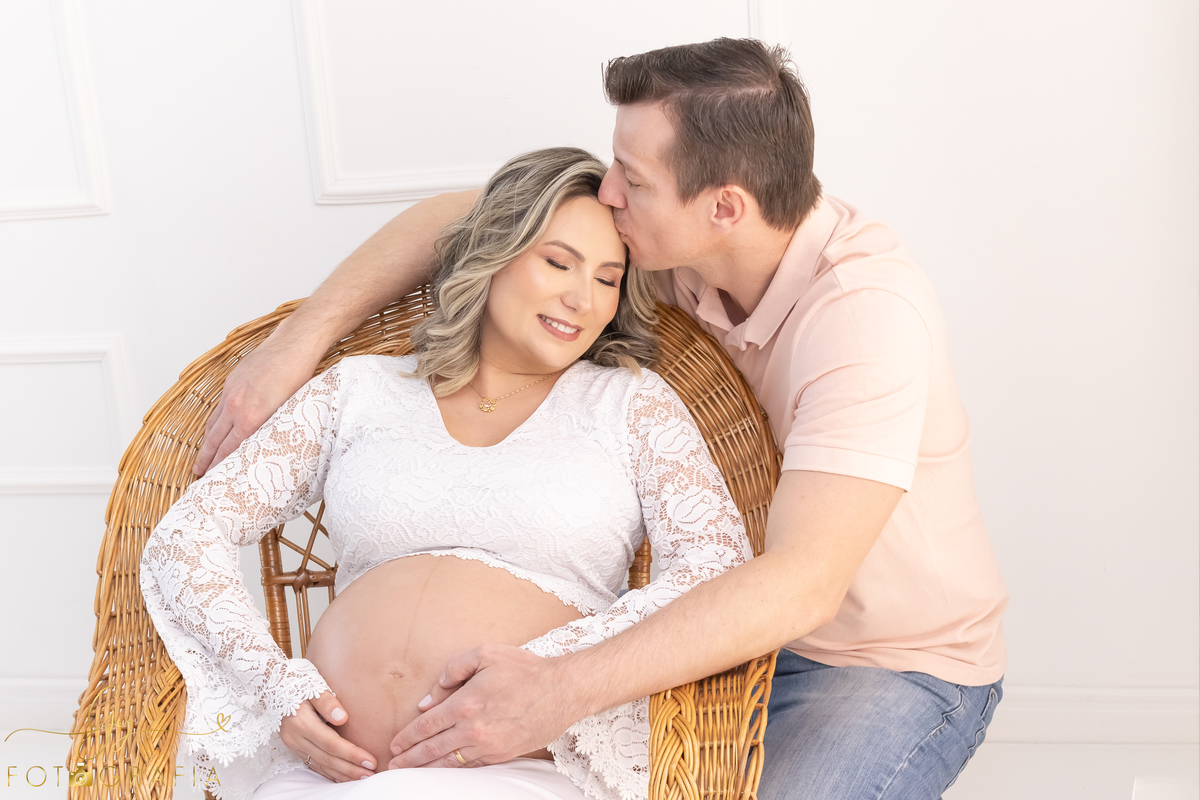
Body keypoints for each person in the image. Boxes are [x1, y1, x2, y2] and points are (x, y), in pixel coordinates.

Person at [192, 39, 1009, 799]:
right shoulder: (663, 251)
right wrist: (299, 344)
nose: (607, 195)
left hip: (872, 662)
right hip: (715, 637)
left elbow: (805, 586)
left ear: (724, 206)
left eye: (632, 179)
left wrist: (560, 689)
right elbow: (466, 221)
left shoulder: (866, 318)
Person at [140, 147, 752, 800]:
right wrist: (272, 689)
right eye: (557, 262)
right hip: (320, 773)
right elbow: (189, 534)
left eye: (608, 278)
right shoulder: (360, 391)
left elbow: (717, 570)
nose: (583, 298)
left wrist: (555, 668)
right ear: (492, 255)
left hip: (522, 771)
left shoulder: (631, 402)